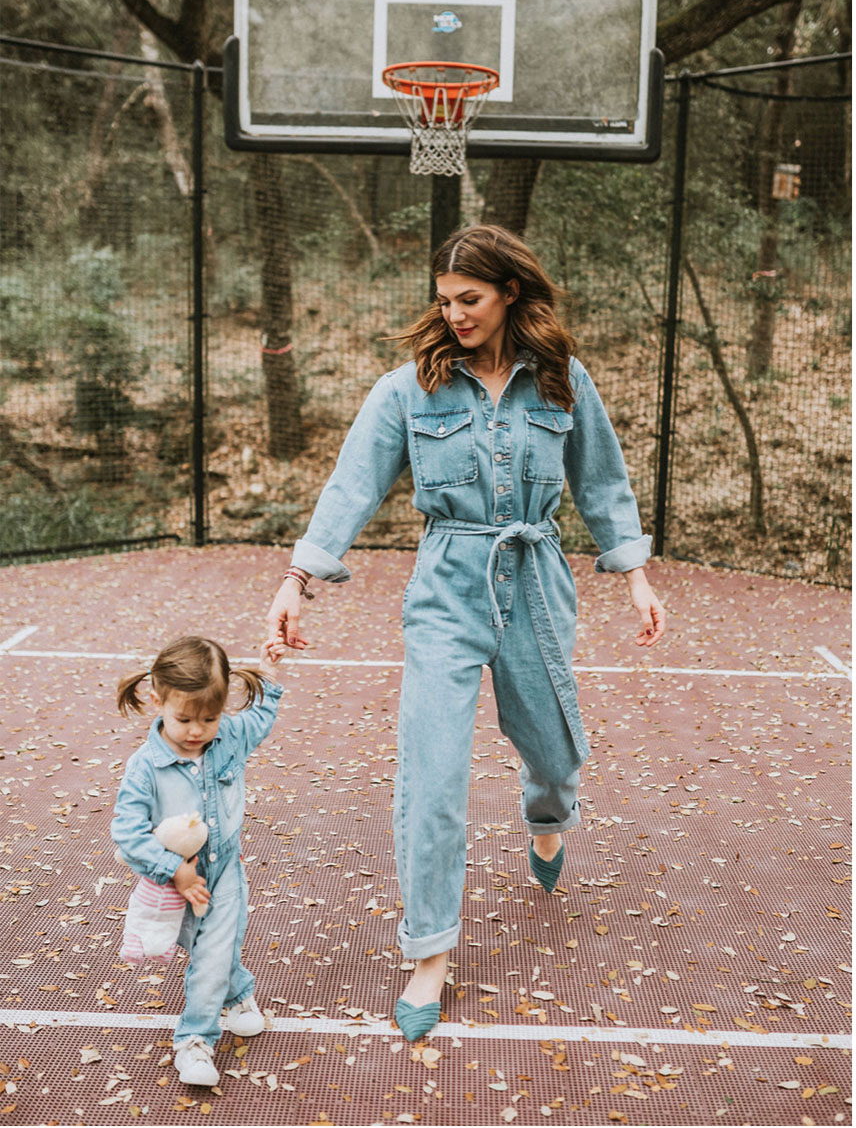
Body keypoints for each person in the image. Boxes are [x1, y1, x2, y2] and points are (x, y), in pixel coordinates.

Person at [264, 224, 665, 1042]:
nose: (454, 316)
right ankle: (430, 953)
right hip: (447, 585)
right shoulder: (407, 389)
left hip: (539, 584)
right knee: (433, 776)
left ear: (510, 292)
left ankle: (549, 815)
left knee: (553, 752)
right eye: (444, 301)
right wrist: (297, 579)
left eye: (470, 299)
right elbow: (350, 488)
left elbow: (602, 485)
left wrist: (636, 576)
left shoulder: (562, 382)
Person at [111, 636, 282, 1086]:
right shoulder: (145, 766)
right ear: (157, 699)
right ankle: (238, 992)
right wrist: (174, 869)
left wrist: (268, 668)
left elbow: (261, 716)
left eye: (210, 717)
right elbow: (127, 834)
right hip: (170, 881)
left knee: (212, 952)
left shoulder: (230, 737)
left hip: (223, 872)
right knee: (205, 948)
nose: (196, 730)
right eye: (183, 718)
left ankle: (195, 1040)